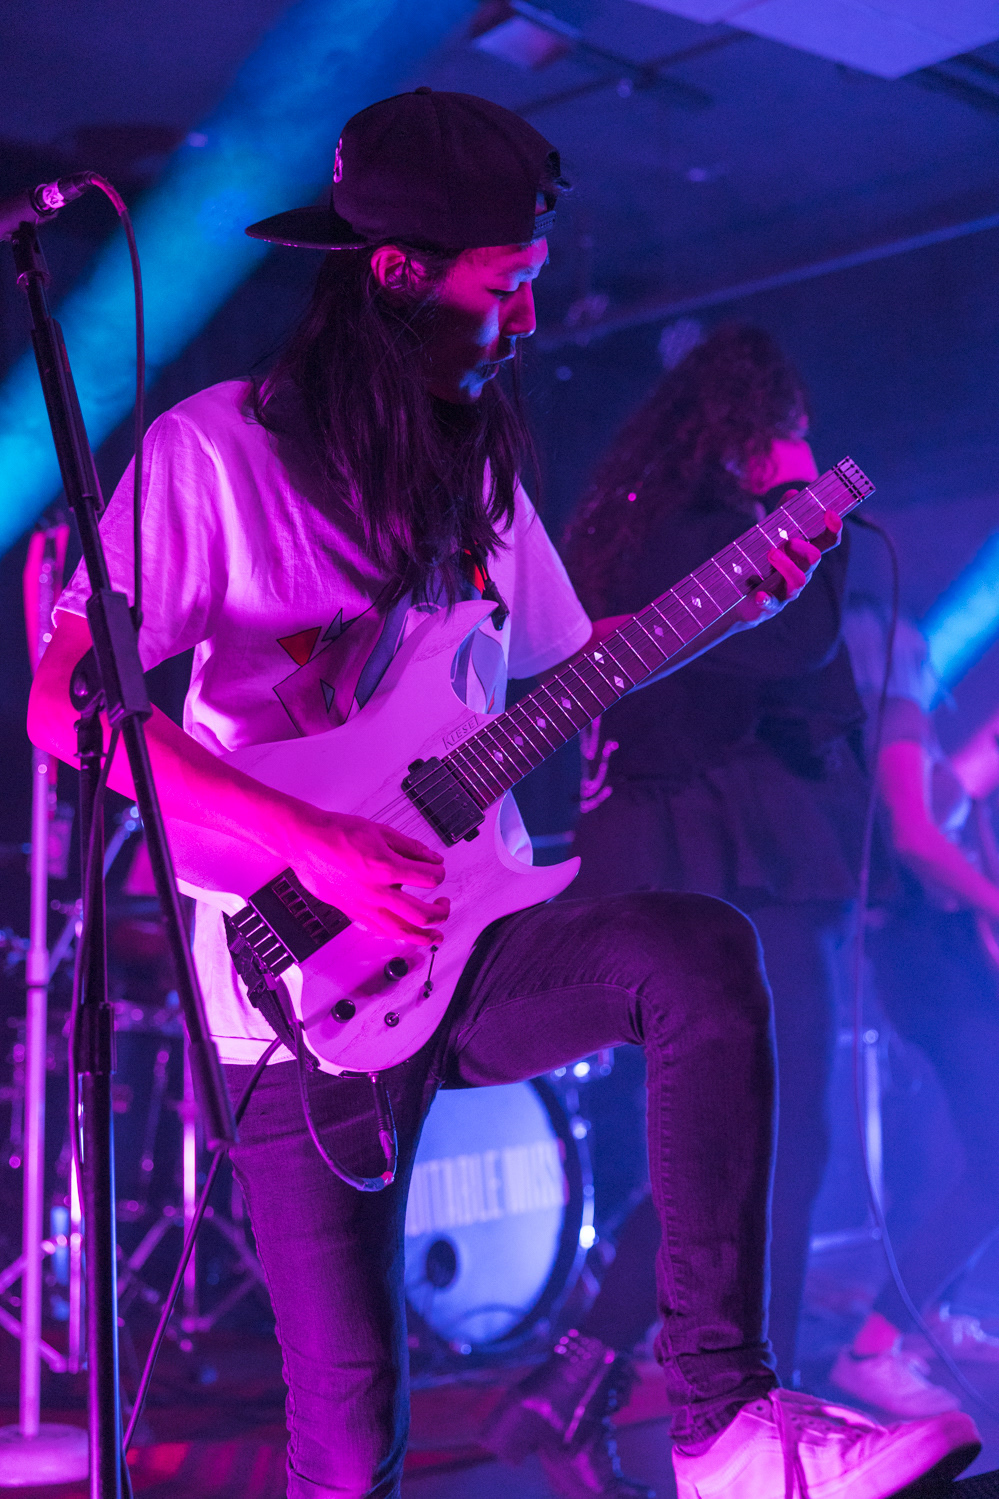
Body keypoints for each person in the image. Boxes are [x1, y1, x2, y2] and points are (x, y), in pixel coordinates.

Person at [26, 91, 978, 1499]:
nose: (528, 316)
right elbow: (68, 705)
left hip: (466, 932)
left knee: (697, 953)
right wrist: (315, 847)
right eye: (504, 285)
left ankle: (724, 1422)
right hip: (286, 981)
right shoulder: (212, 455)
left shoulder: (475, 468)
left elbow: (573, 661)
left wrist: (729, 604)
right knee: (348, 1437)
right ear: (397, 274)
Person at [827, 601, 999, 1417]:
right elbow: (913, 837)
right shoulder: (896, 713)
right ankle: (871, 1348)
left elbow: (936, 811)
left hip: (921, 957)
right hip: (930, 958)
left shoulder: (862, 729)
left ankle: (926, 1316)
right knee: (992, 1160)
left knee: (960, 1149)